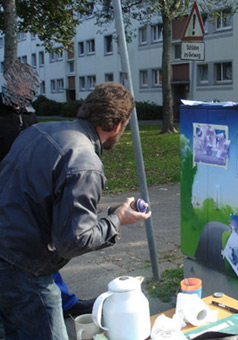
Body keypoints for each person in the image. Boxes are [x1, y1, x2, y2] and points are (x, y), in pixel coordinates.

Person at [0, 81, 151, 339]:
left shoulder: (37, 132)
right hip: (25, 271)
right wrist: (116, 220)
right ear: (116, 125)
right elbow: (73, 241)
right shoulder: (84, 162)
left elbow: (35, 198)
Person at [0, 61, 95, 320]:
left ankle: (65, 302)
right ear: (9, 83)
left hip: (32, 191)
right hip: (8, 188)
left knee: (42, 249)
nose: (25, 90)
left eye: (29, 86)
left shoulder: (29, 115)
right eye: (19, 84)